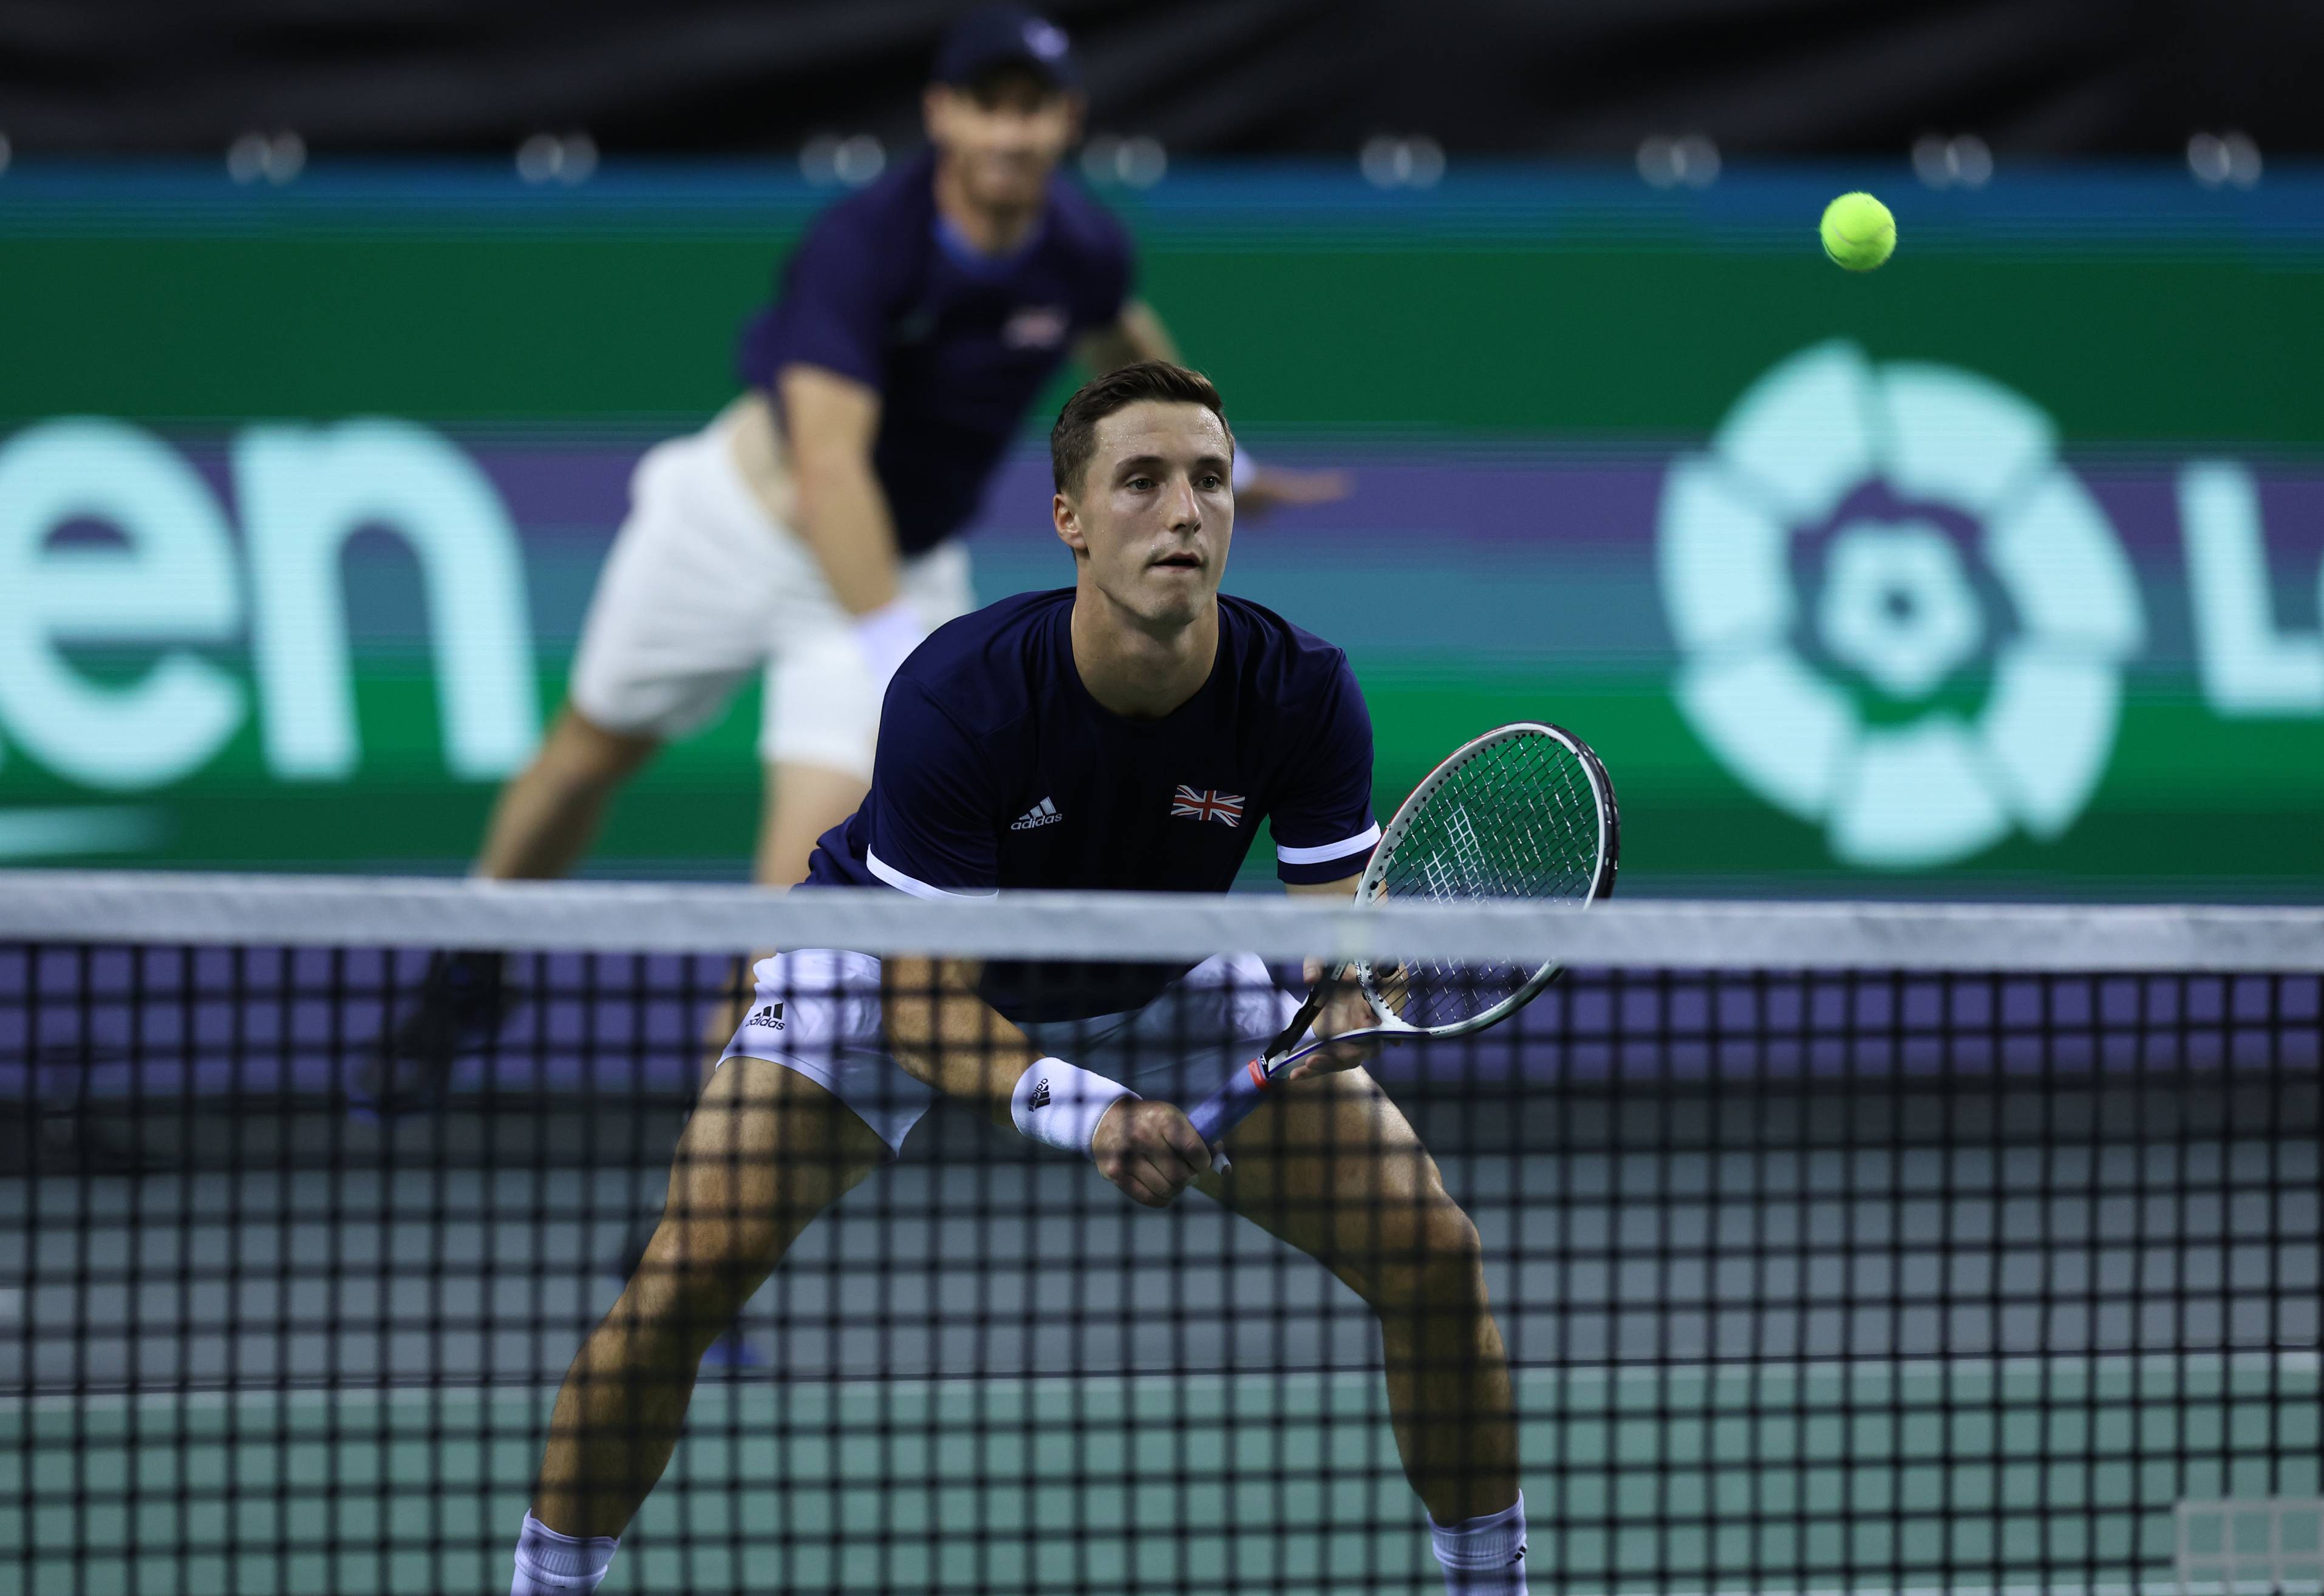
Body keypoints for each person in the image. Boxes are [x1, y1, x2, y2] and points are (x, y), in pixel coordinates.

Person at [505, 362, 1529, 1596]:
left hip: (1160, 975)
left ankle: (1495, 1583)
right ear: (1072, 519)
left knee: (1433, 1252)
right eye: (1142, 482)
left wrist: (1353, 995)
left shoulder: (1299, 690)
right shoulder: (962, 694)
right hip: (887, 976)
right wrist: (1091, 1112)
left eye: (1210, 480)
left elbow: (1339, 934)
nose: (1186, 512)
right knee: (690, 1268)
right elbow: (925, 1003)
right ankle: (545, 1584)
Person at [360, 5, 1343, 1110]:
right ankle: (471, 966)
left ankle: (684, 1198)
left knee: (794, 913)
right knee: (586, 755)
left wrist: (1235, 467)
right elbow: (831, 470)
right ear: (943, 116)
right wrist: (897, 654)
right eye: (989, 105)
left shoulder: (1082, 247)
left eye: (1034, 110)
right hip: (736, 525)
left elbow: (1127, 341)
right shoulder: (863, 247)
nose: (1011, 136)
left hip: (893, 568)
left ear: (1067, 122)